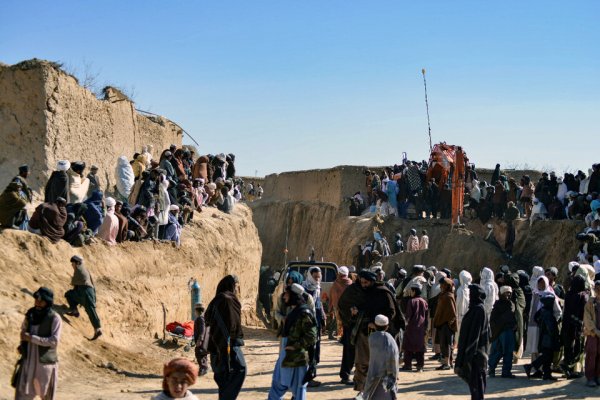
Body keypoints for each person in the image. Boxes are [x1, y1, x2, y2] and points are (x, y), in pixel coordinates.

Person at [268, 284, 317, 400]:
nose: (284, 296)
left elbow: (312, 336)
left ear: (294, 296)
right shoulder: (295, 311)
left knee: (298, 388)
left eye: (287, 294)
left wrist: (295, 346)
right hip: (287, 355)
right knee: (278, 383)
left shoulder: (304, 312)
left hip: (297, 357)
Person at [14, 287, 61, 400]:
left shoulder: (55, 318)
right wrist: (23, 342)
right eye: (36, 300)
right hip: (28, 361)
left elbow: (54, 341)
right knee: (21, 395)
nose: (37, 303)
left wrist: (31, 338)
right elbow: (23, 330)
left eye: (41, 301)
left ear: (47, 302)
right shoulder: (30, 314)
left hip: (44, 365)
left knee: (46, 395)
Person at [206, 275, 246, 400]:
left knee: (224, 379)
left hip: (217, 346)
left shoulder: (218, 299)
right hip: (228, 346)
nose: (237, 290)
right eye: (236, 286)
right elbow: (229, 325)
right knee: (240, 370)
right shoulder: (226, 299)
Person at [454, 284, 490, 400]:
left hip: (476, 355)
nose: (469, 297)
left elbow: (475, 334)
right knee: (475, 386)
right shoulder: (475, 309)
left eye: (471, 294)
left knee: (477, 387)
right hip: (474, 354)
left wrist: (470, 354)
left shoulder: (479, 310)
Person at [65, 255, 103, 340]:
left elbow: (75, 284)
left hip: (85, 292)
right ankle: (75, 311)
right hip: (88, 292)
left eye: (73, 263)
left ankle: (98, 329)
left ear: (77, 263)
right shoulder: (84, 269)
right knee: (90, 310)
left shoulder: (78, 269)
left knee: (90, 310)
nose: (72, 265)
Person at [524, 294, 561, 381]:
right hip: (548, 338)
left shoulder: (543, 310)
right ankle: (530, 366)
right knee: (547, 356)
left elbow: (536, 318)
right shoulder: (549, 313)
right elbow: (551, 328)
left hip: (543, 337)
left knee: (547, 357)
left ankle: (547, 374)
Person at [363, 315, 399, 400]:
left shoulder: (372, 337)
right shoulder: (389, 338)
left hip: (373, 373)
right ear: (387, 326)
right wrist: (395, 373)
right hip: (386, 376)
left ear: (375, 325)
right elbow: (394, 355)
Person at [560, 275, 588, 379]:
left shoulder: (568, 294)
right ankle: (566, 364)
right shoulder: (582, 295)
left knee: (568, 347)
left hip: (567, 324)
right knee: (579, 349)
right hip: (577, 326)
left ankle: (569, 371)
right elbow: (584, 311)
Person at [302, 266, 325, 387]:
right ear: (310, 276)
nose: (317, 279)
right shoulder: (304, 289)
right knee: (310, 351)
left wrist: (323, 317)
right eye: (315, 276)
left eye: (319, 276)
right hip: (308, 324)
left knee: (316, 351)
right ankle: (308, 378)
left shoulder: (317, 288)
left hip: (316, 323)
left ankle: (311, 376)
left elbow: (318, 304)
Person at [488, 286, 517, 378]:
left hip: (500, 332)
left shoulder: (504, 304)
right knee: (503, 351)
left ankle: (500, 370)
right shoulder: (507, 305)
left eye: (509, 293)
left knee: (500, 351)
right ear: (501, 293)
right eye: (506, 292)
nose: (508, 294)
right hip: (504, 331)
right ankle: (501, 371)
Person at [402, 283, 428, 372]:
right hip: (421, 327)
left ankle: (408, 365)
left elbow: (408, 315)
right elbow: (426, 316)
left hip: (411, 327)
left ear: (414, 291)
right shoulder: (424, 302)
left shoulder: (411, 301)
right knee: (420, 346)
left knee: (408, 346)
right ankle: (420, 365)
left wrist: (405, 324)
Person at [433, 278, 457, 370]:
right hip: (442, 323)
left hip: (446, 324)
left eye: (442, 285)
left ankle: (447, 364)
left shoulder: (448, 296)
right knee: (444, 344)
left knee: (446, 344)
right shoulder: (443, 295)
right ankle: (447, 363)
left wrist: (448, 323)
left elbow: (452, 313)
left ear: (447, 286)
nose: (440, 286)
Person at [583, 280, 600, 387]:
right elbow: (587, 318)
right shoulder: (590, 302)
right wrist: (594, 330)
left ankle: (598, 376)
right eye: (597, 288)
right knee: (591, 353)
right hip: (592, 333)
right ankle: (590, 377)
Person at [329, 266, 352, 342]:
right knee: (344, 321)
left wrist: (331, 304)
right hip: (346, 306)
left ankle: (331, 334)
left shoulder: (336, 282)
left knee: (336, 320)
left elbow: (332, 293)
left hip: (336, 305)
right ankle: (342, 336)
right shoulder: (349, 283)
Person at [193, 303, 209, 376]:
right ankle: (204, 368)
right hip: (205, 341)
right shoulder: (204, 317)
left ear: (197, 310)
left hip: (202, 340)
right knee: (203, 353)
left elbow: (202, 330)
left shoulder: (200, 318)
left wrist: (200, 339)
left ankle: (203, 368)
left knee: (198, 352)